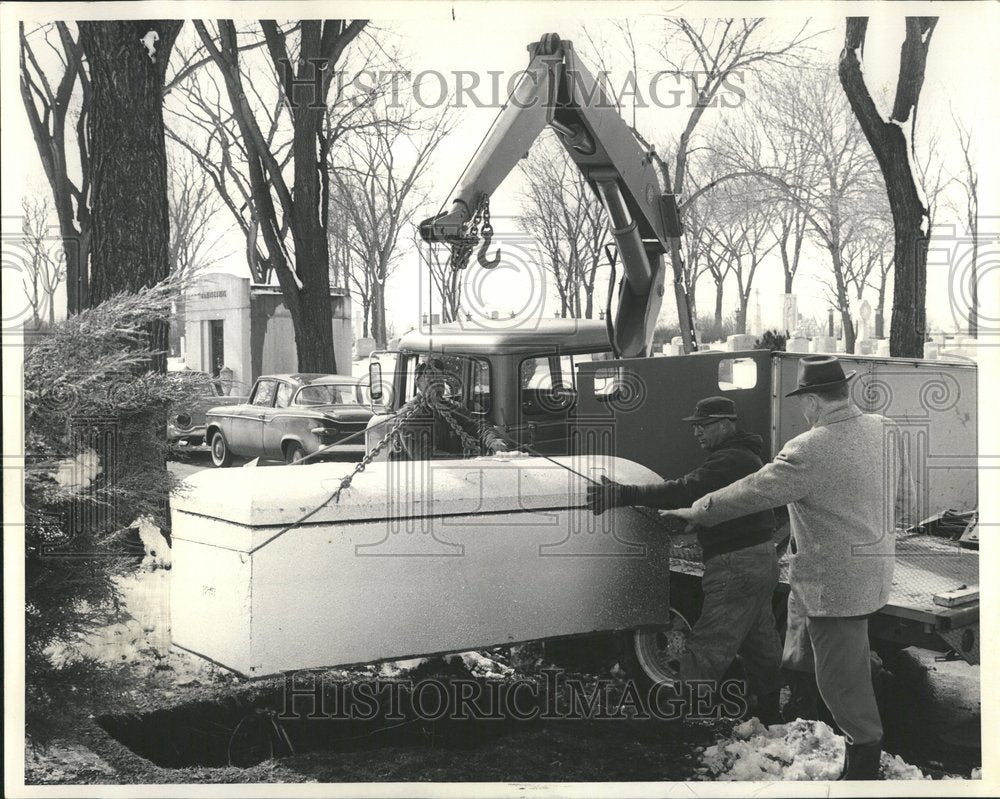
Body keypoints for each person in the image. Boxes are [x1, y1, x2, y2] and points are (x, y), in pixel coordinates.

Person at [662, 356, 915, 780]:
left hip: (834, 587)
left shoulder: (809, 448)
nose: (804, 410)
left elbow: (752, 491)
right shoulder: (884, 427)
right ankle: (804, 714)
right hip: (868, 574)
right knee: (802, 650)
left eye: (804, 402)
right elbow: (904, 499)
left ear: (813, 401)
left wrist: (698, 510)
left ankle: (863, 762)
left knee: (841, 679)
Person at [587, 395, 783, 724]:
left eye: (702, 426)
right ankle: (770, 711)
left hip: (735, 565)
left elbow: (684, 489)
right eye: (695, 427)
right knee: (758, 639)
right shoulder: (745, 457)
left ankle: (686, 719)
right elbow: (718, 504)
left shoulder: (729, 460)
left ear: (725, 424)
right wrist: (698, 518)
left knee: (710, 641)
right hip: (760, 560)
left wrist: (624, 494)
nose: (696, 433)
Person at [396, 358, 510, 459]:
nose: (437, 384)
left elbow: (477, 424)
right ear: (418, 383)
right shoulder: (408, 416)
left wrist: (492, 440)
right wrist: (463, 462)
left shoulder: (453, 407)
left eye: (440, 379)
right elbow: (424, 455)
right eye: (431, 379)